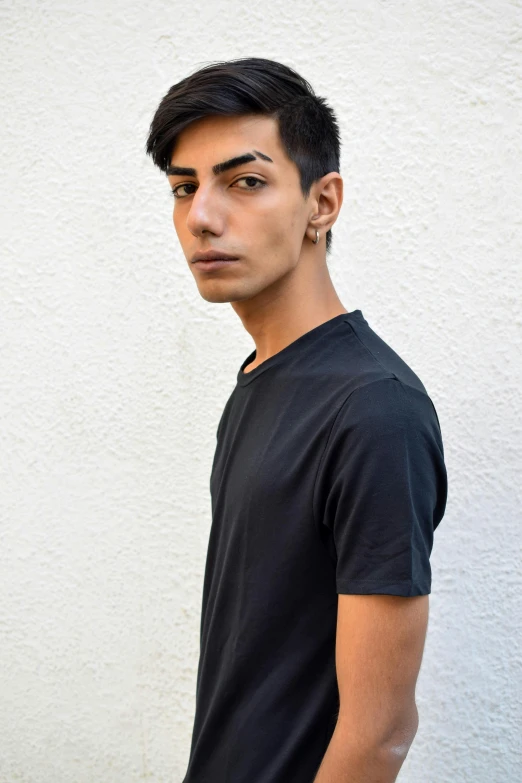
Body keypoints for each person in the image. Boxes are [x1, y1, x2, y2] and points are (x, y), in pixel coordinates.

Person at [145, 57, 448, 783]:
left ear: (323, 202)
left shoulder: (375, 409)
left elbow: (380, 733)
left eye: (245, 182)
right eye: (184, 187)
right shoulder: (259, 377)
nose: (202, 216)